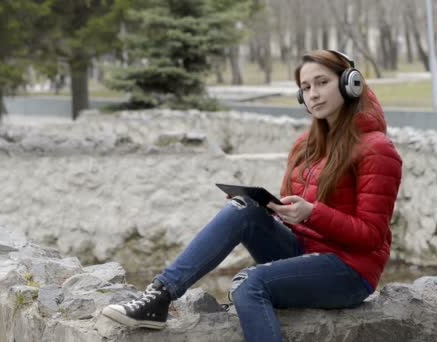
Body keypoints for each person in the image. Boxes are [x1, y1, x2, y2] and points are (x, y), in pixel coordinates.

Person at [102, 49, 403, 341]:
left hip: (350, 271)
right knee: (242, 207)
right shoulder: (305, 146)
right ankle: (159, 298)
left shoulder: (376, 148)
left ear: (350, 83)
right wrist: (273, 210)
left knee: (249, 283)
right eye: (306, 87)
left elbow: (372, 236)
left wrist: (311, 212)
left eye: (322, 83)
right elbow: (298, 216)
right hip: (305, 253)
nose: (313, 94)